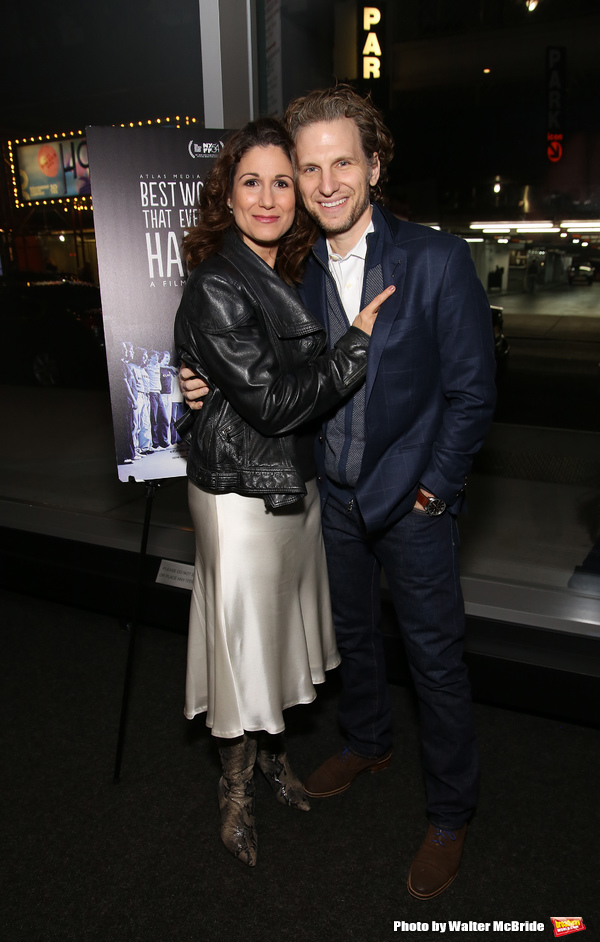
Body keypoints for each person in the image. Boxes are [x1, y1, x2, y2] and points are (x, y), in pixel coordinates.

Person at [180, 86, 497, 898]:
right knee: (353, 640)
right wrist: (201, 382)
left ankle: (450, 816)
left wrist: (434, 491)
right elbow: (266, 365)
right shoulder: (297, 265)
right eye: (307, 167)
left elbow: (472, 393)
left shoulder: (434, 259)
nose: (322, 184)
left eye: (340, 164)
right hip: (334, 501)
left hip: (414, 503)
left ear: (374, 166)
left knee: (434, 663)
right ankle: (365, 740)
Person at [173, 116, 395, 869]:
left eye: (280, 181)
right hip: (240, 498)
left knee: (273, 644)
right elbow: (270, 402)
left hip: (291, 488)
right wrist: (356, 346)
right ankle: (234, 797)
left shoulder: (294, 271)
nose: (268, 198)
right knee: (242, 651)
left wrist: (197, 390)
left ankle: (272, 765)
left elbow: (244, 386)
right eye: (250, 182)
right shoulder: (217, 282)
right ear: (226, 196)